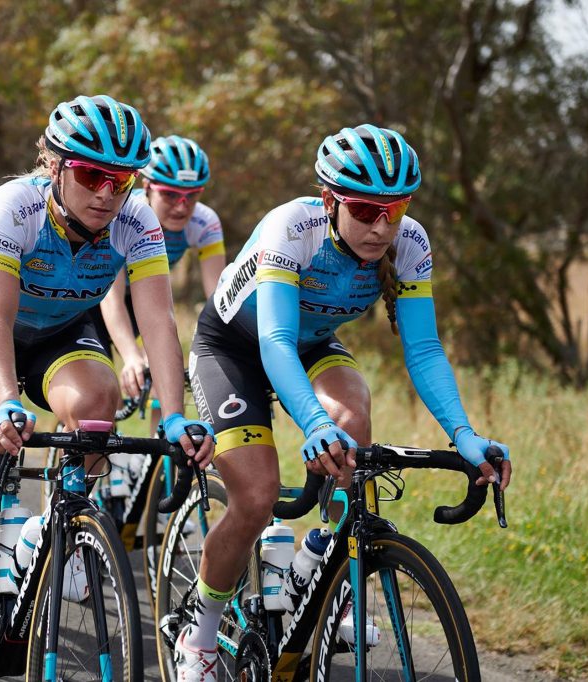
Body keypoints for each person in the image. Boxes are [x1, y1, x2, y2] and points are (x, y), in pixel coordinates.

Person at [177, 125, 513, 680]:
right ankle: (202, 636)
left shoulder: (410, 243)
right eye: (363, 210)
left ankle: (323, 564)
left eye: (395, 210)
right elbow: (273, 341)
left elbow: (424, 349)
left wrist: (464, 434)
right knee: (257, 496)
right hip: (234, 348)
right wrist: (311, 422)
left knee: (353, 419)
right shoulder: (294, 227)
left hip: (308, 344)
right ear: (331, 200)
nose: (381, 227)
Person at [0, 95, 214, 681]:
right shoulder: (14, 205)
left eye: (122, 179)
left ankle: (57, 522)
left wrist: (175, 415)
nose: (107, 192)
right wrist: (6, 400)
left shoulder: (136, 220)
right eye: (91, 174)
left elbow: (158, 322)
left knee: (98, 401)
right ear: (54, 166)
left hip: (60, 332)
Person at [98, 135, 225, 433]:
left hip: (144, 303)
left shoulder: (206, 223)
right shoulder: (125, 217)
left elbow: (217, 301)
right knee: (101, 394)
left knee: (164, 383)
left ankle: (156, 463)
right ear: (146, 187)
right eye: (170, 195)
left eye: (191, 196)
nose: (182, 207)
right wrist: (130, 355)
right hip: (99, 299)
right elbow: (111, 298)